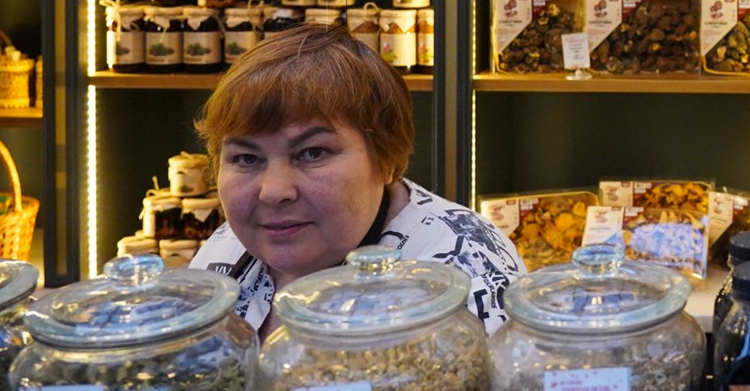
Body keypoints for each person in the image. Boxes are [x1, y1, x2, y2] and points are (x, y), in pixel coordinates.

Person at [190, 25, 523, 335]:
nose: (274, 192)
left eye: (312, 153)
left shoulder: (464, 276)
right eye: (247, 158)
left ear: (386, 157)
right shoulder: (229, 245)